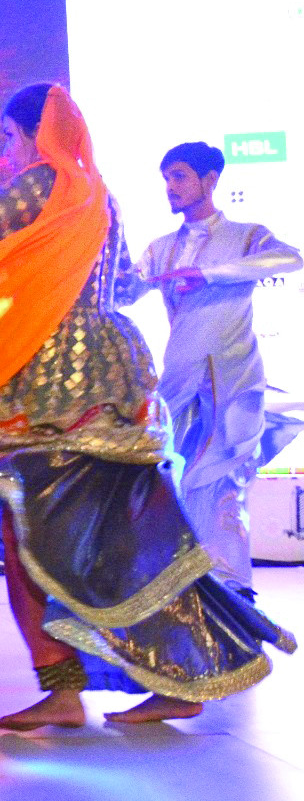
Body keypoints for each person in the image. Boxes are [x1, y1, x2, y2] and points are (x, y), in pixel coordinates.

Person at [0, 84, 295, 731]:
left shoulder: (44, 184)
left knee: (19, 525)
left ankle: (65, 683)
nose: (7, 150)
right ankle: (151, 676)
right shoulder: (101, 199)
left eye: (8, 137)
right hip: (115, 381)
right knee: (114, 532)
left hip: (46, 386)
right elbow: (126, 285)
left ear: (31, 137)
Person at [118, 141, 302, 593]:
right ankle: (183, 581)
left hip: (235, 377)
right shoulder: (161, 249)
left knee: (224, 478)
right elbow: (124, 292)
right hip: (180, 379)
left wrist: (211, 275)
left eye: (178, 176)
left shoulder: (246, 236)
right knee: (171, 476)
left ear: (210, 180)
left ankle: (230, 586)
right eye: (165, 177)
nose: (169, 187)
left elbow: (291, 258)